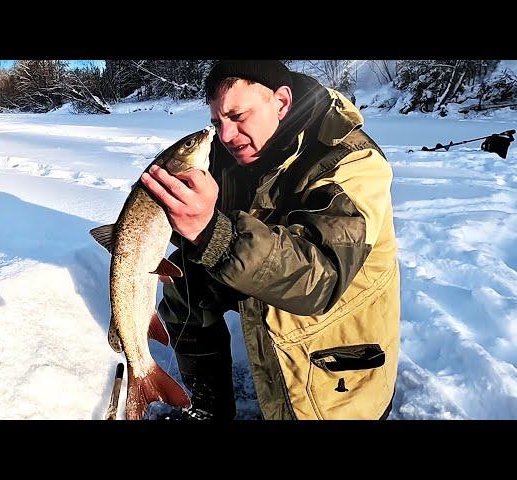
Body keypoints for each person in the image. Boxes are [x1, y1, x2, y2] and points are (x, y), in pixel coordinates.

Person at [140, 60, 400, 420]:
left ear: (281, 102)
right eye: (217, 122)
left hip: (334, 337)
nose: (226, 135)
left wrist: (212, 231)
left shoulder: (353, 163)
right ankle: (209, 408)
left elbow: (318, 278)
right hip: (268, 273)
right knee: (186, 280)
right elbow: (195, 236)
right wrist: (166, 213)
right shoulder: (227, 152)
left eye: (238, 116)